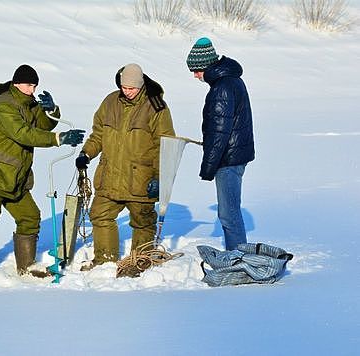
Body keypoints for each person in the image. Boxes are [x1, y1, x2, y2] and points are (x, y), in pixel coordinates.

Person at [0, 64, 85, 281]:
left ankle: (26, 267)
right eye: (29, 85)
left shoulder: (28, 104)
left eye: (35, 86)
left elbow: (44, 125)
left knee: (29, 217)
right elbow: (24, 134)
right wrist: (59, 139)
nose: (32, 90)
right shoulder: (2, 106)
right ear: (17, 83)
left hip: (14, 178)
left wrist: (51, 109)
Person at [75, 63, 175, 270]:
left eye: (132, 88)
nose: (127, 92)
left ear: (141, 85)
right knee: (100, 214)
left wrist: (159, 177)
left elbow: (165, 145)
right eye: (124, 87)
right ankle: (104, 259)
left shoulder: (156, 107)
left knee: (142, 221)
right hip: (109, 176)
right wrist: (87, 153)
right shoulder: (110, 101)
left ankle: (139, 262)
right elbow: (98, 134)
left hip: (140, 179)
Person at [186, 37, 255, 250]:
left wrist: (208, 167)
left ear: (207, 66)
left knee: (228, 213)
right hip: (234, 155)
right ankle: (236, 254)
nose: (195, 75)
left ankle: (238, 258)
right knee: (229, 211)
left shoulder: (222, 88)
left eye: (196, 70)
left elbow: (219, 132)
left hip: (228, 158)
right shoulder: (230, 81)